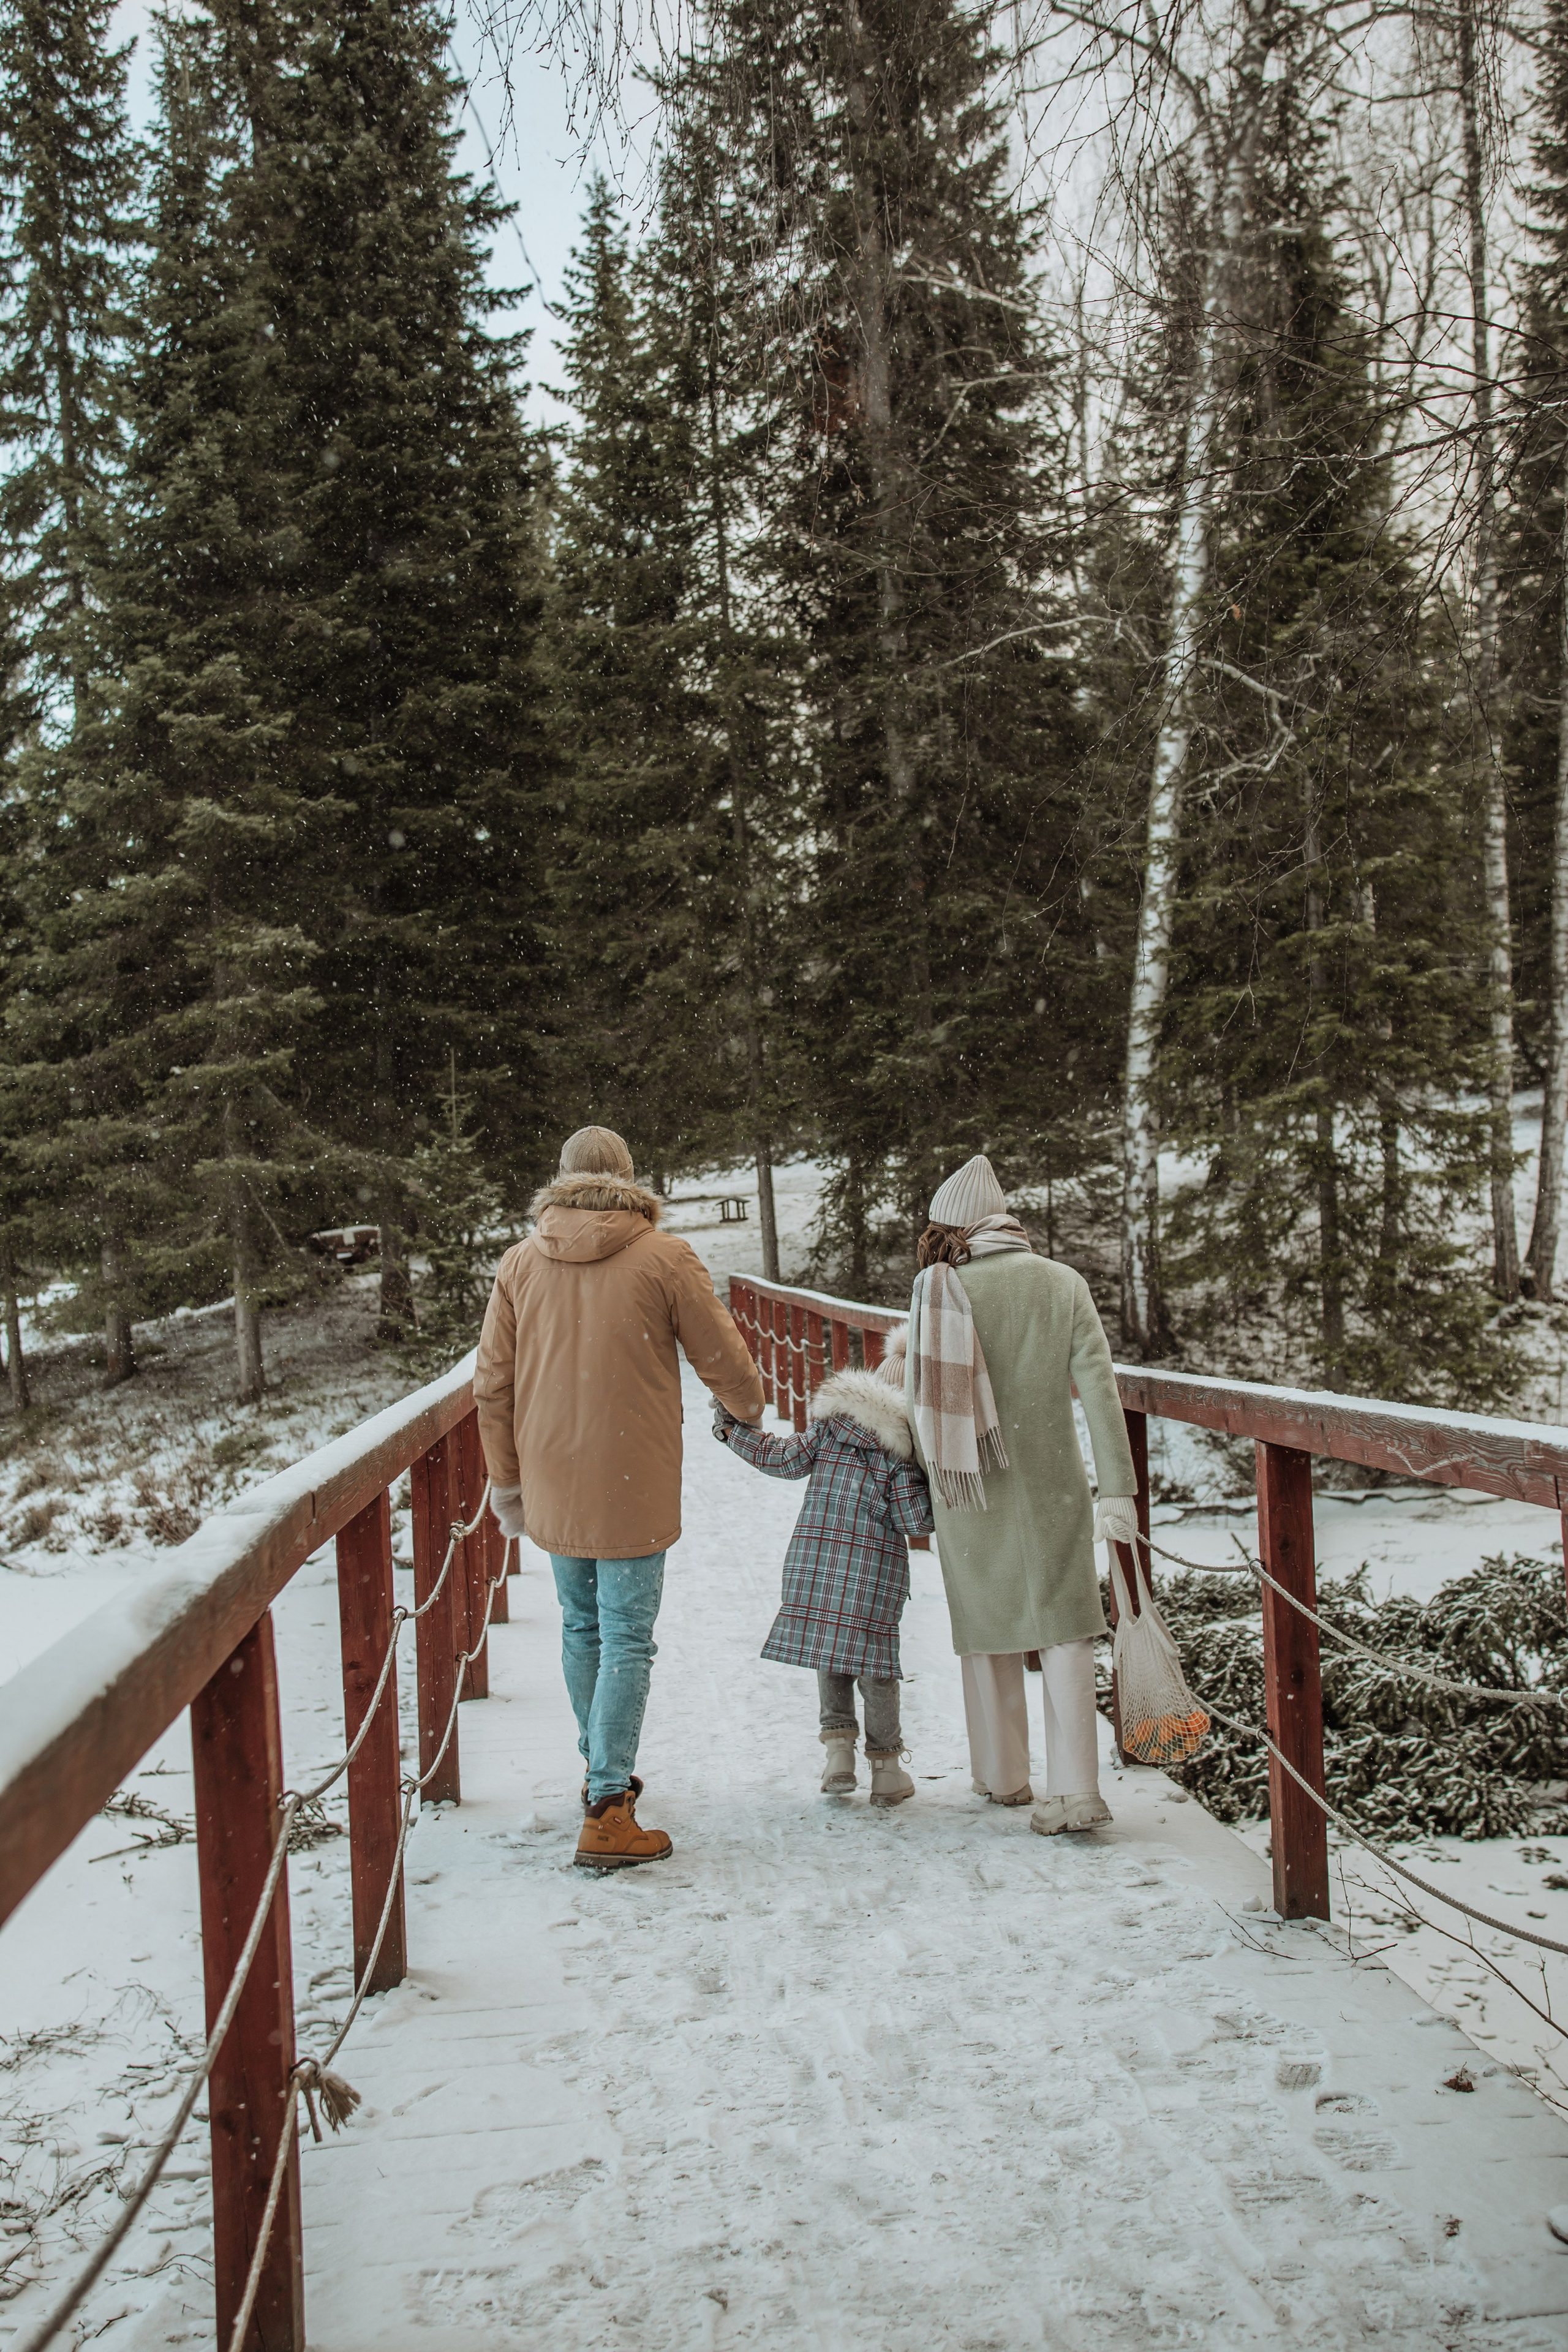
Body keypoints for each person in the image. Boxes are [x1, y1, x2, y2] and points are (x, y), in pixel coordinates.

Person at [474, 1125, 764, 1869]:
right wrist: (746, 1406)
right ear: (630, 1179)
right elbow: (719, 1351)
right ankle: (608, 1806)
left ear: (560, 1181)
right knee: (628, 1634)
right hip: (631, 1467)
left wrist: (506, 1478)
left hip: (550, 1468)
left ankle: (600, 1778)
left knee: (581, 1626)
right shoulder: (663, 1256)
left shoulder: (518, 1264)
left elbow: (493, 1385)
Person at [903, 1154, 1139, 1835]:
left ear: (953, 1225)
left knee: (987, 1630)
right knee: (1065, 1628)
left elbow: (924, 1405)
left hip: (966, 1484)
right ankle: (1077, 1789)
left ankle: (1004, 1775)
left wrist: (930, 1472)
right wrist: (1115, 1489)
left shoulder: (935, 1291)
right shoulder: (1061, 1282)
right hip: (1050, 1484)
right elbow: (1100, 1390)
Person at [713, 1335, 933, 1806]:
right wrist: (934, 1478)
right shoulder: (899, 1457)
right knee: (875, 1667)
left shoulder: (832, 1430)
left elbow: (784, 1459)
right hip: (874, 1575)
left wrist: (732, 1432)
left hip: (817, 1563)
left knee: (831, 1653)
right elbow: (917, 1521)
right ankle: (887, 1769)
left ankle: (838, 1754)